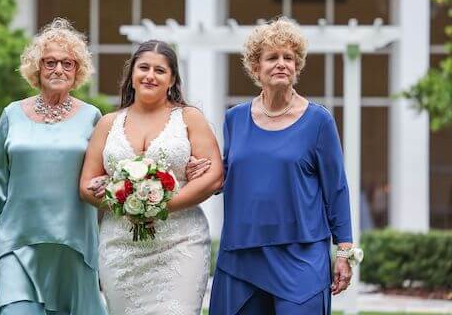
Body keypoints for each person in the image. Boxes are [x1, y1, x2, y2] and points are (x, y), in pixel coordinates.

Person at [209, 17, 357, 314]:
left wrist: (344, 251)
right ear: (255, 67)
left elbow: (336, 189)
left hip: (301, 256)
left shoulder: (318, 121)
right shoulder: (234, 119)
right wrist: (203, 173)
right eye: (272, 58)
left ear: (297, 66)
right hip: (242, 254)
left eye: (288, 58)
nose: (281, 64)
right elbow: (228, 175)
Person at [0, 18, 106, 315]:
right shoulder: (12, 114)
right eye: (50, 62)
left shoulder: (92, 117)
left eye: (67, 63)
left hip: (73, 243)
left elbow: (104, 171)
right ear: (37, 68)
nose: (59, 69)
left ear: (77, 71)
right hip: (18, 241)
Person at [80, 40, 223, 315]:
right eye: (143, 68)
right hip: (121, 247)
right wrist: (106, 193)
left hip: (181, 243)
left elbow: (214, 175)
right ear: (131, 76)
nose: (150, 75)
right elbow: (86, 185)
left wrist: (162, 205)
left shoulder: (189, 118)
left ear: (171, 80)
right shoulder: (108, 123)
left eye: (160, 70)